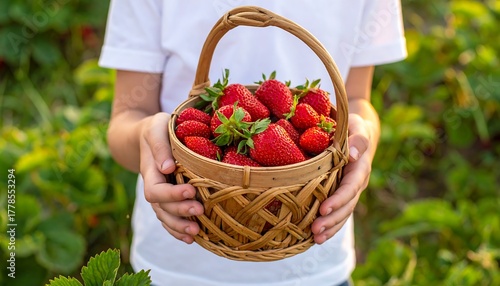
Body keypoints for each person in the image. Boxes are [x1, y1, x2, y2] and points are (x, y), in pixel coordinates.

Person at [99, 1, 407, 285]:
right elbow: (129, 115)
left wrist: (362, 144)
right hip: (179, 260)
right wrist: (145, 138)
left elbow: (355, 100)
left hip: (314, 254)